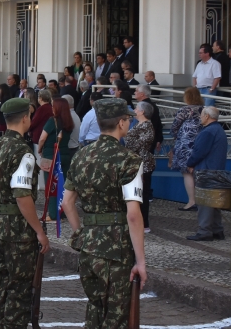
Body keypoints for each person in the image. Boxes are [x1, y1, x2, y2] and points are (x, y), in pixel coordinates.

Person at [61, 98, 147, 328]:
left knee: (95, 309)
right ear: (121, 123)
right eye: (127, 119)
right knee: (116, 316)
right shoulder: (129, 160)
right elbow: (133, 215)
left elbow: (67, 203)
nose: (128, 123)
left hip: (89, 245)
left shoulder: (81, 156)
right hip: (116, 248)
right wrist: (141, 260)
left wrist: (81, 233)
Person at [0, 98, 49, 329]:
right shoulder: (23, 152)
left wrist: (1, 207)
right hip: (17, 229)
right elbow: (22, 196)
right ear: (25, 118)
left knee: (2, 279)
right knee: (19, 287)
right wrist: (39, 231)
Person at [185, 106, 227, 241]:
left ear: (207, 116)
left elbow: (199, 152)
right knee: (213, 202)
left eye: (202, 115)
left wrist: (190, 163)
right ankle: (217, 229)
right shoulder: (219, 130)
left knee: (205, 202)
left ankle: (205, 231)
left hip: (205, 170)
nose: (200, 117)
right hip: (216, 170)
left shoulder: (208, 131)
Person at [38, 97, 74, 221]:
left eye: (53, 106)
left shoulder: (52, 121)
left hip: (50, 155)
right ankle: (62, 212)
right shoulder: (69, 121)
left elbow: (42, 138)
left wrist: (39, 149)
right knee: (62, 186)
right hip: (64, 154)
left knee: (51, 186)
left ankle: (53, 214)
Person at [125, 101, 156, 233]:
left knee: (141, 195)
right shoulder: (139, 125)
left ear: (142, 111)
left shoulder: (147, 126)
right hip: (135, 162)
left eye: (137, 108)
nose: (135, 110)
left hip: (143, 164)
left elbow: (136, 145)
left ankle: (144, 224)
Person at [29, 89, 53, 157]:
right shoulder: (51, 107)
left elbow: (33, 123)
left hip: (39, 137)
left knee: (39, 160)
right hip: (48, 137)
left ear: (41, 98)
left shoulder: (41, 109)